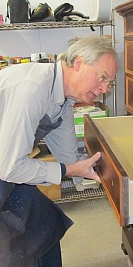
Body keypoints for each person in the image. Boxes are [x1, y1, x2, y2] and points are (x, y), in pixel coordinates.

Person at [0, 35, 118, 266]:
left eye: (110, 83)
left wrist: (108, 173)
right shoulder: (33, 89)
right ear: (78, 64)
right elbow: (11, 167)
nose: (104, 88)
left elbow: (69, 159)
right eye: (102, 77)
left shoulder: (64, 101)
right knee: (10, 249)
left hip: (5, 162)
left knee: (45, 223)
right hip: (7, 165)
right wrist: (69, 169)